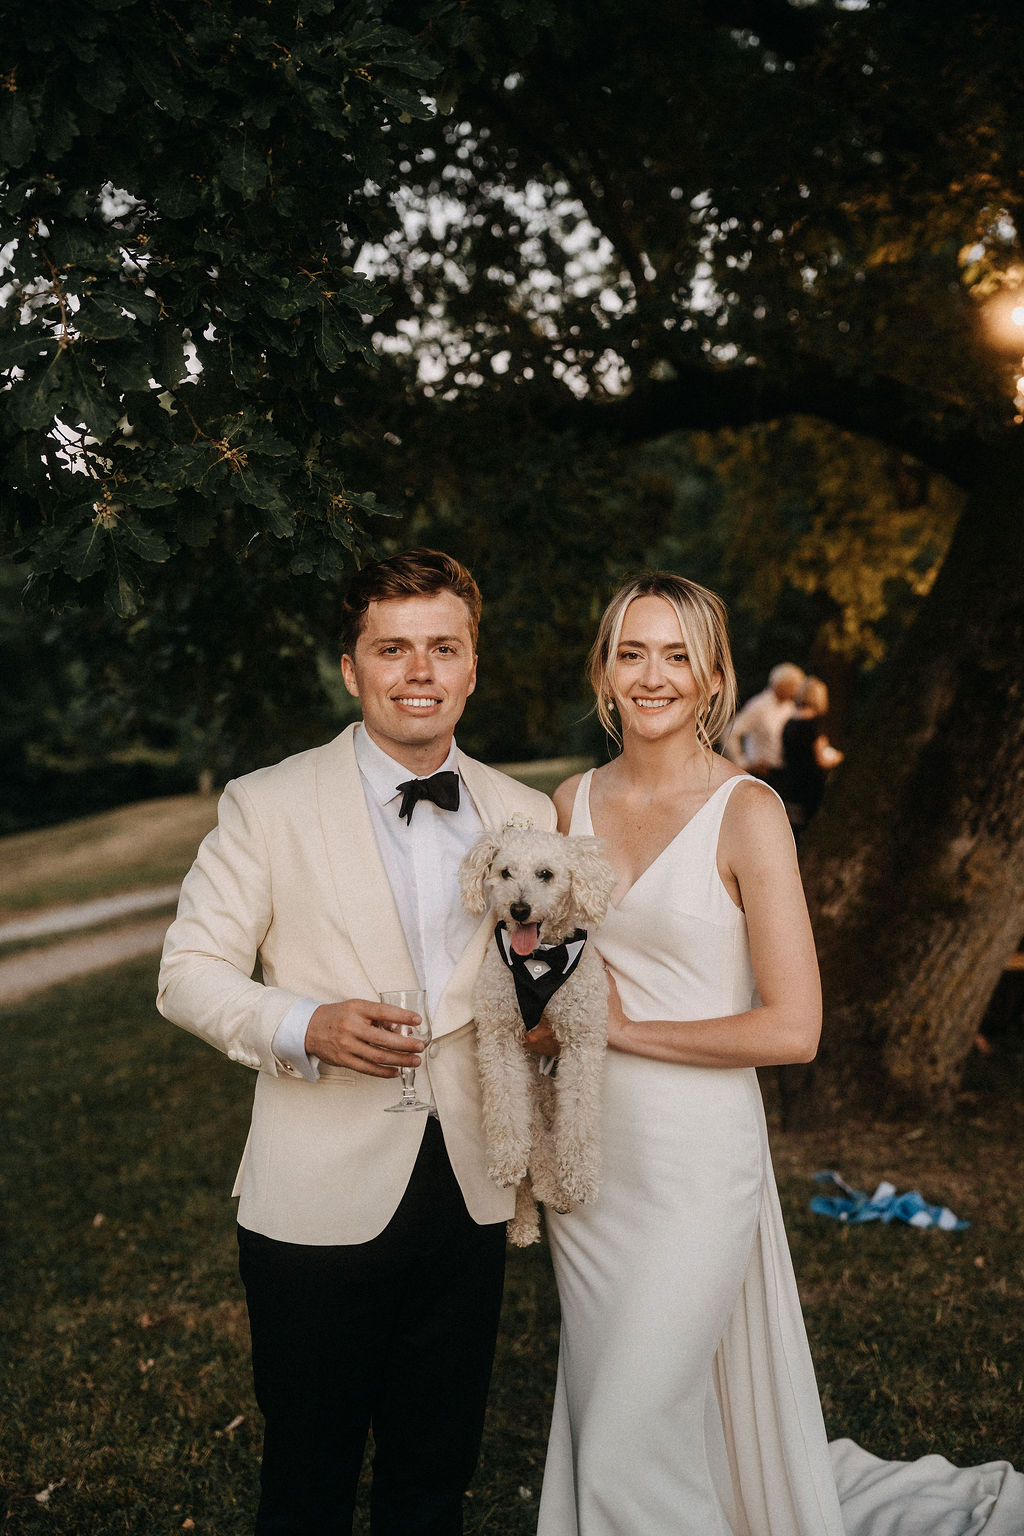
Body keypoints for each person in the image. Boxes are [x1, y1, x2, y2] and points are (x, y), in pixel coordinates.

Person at [533, 572, 1024, 1535]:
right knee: (622, 1417)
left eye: (678, 655)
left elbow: (794, 1029)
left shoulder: (748, 813)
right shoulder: (569, 803)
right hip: (591, 1168)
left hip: (694, 1165)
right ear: (604, 670)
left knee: (629, 1429)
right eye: (633, 651)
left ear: (716, 676)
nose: (653, 675)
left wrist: (626, 1029)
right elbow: (553, 977)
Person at [157, 549, 556, 1536]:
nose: (418, 671)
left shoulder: (527, 812)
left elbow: (540, 983)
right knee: (308, 1471)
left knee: (435, 1468)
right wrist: (303, 1023)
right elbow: (186, 973)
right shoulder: (266, 803)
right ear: (351, 668)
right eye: (392, 648)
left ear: (471, 666)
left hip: (469, 1183)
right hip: (316, 1195)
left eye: (442, 648)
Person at [779, 674, 844, 836]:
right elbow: (821, 759)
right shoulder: (816, 725)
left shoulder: (789, 723)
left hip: (791, 784)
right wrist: (839, 757)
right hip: (811, 786)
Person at [724, 659, 805, 783]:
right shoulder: (759, 705)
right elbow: (730, 732)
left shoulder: (790, 708)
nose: (796, 691)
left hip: (781, 774)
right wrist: (743, 763)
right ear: (782, 684)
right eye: (794, 686)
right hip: (759, 774)